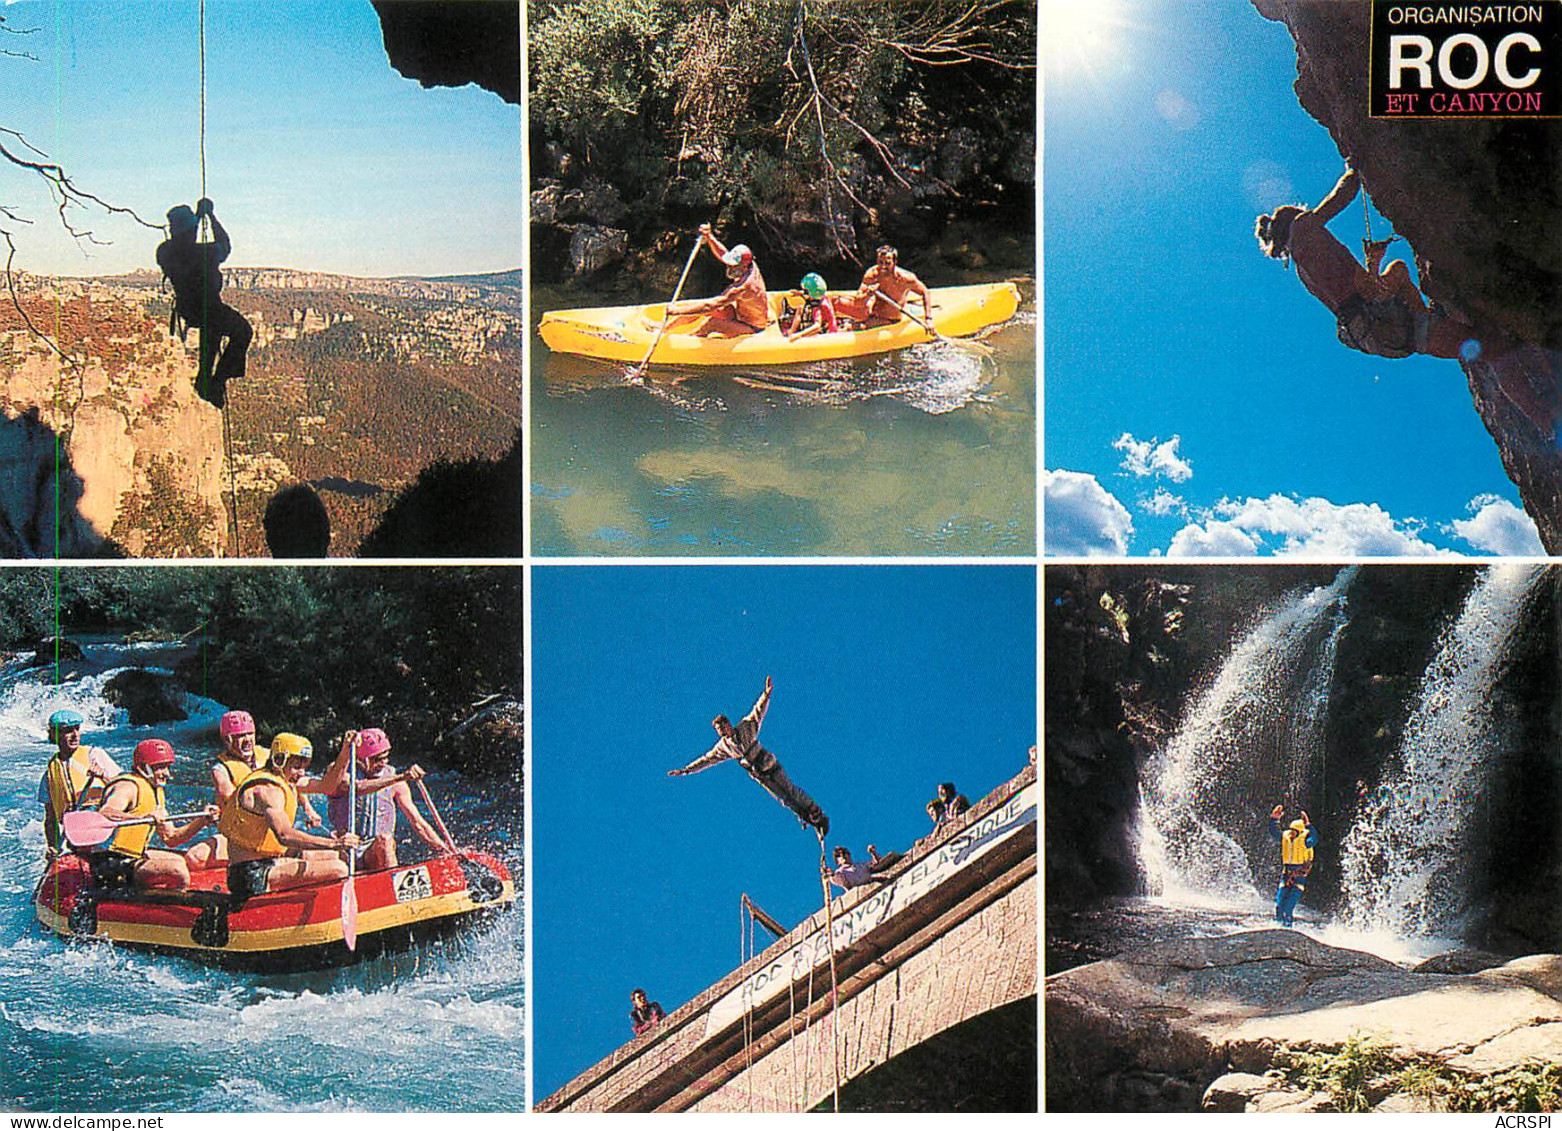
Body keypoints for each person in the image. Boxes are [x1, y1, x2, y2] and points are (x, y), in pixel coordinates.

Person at [1255, 165, 1483, 362]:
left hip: (1379, 336)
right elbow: (1342, 196)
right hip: (1382, 318)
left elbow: (1359, 291)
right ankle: (1427, 318)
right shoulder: (1301, 227)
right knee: (1493, 349)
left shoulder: (1303, 270)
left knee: (1398, 270)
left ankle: (1427, 319)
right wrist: (1353, 169)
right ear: (1293, 217)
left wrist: (1373, 262)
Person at [668, 676, 829, 836]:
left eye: (722, 727)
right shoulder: (723, 747)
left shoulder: (745, 727)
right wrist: (686, 770)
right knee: (784, 799)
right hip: (758, 773)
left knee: (790, 790)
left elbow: (757, 712)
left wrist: (766, 694)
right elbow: (706, 760)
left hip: (768, 764)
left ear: (728, 724)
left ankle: (815, 812)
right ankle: (805, 816)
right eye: (719, 730)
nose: (722, 732)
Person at [224, 733, 359, 899]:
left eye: (305, 766)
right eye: (296, 766)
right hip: (250, 874)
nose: (302, 773)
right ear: (279, 760)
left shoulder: (286, 779)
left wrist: (345, 751)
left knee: (340, 856)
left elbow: (328, 785)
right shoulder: (267, 790)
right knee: (339, 869)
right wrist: (334, 843)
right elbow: (284, 835)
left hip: (268, 862)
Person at [156, 197, 253, 409]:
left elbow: (184, 241)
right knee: (243, 331)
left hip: (189, 309)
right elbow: (225, 246)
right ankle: (217, 380)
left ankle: (206, 380)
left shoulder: (165, 251)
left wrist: (198, 218)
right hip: (210, 307)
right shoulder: (203, 253)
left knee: (212, 334)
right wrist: (210, 215)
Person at [89, 739, 222, 891]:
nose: (167, 773)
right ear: (142, 768)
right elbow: (106, 812)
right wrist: (141, 819)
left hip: (133, 857)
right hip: (109, 861)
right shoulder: (128, 787)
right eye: (159, 768)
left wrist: (202, 820)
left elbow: (172, 838)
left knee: (180, 860)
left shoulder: (157, 792)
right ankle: (170, 909)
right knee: (178, 870)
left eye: (167, 767)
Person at [324, 727, 446, 870]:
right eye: (377, 759)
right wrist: (399, 778)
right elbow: (358, 788)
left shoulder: (395, 782)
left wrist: (444, 850)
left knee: (386, 840)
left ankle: (392, 881)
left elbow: (418, 823)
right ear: (360, 759)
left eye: (385, 757)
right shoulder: (339, 774)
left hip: (373, 851)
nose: (383, 763)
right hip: (344, 849)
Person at [38, 708, 120, 854]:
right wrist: (52, 846)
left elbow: (124, 788)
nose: (75, 735)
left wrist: (103, 776)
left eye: (77, 729)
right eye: (68, 731)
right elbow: (50, 820)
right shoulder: (49, 775)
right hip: (76, 833)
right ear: (54, 735)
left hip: (101, 825)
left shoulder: (95, 755)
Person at [667, 224, 770, 337]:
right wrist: (709, 237)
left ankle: (687, 340)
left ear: (744, 266)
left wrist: (677, 311)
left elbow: (711, 305)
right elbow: (724, 255)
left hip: (752, 327)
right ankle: (663, 329)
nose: (730, 267)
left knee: (711, 323)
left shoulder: (744, 286)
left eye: (734, 266)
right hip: (739, 315)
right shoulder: (749, 265)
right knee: (699, 305)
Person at [833, 245, 933, 330]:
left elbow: (925, 292)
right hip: (870, 311)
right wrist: (868, 294)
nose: (883, 267)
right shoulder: (872, 275)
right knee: (835, 302)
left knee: (851, 328)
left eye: (887, 263)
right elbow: (858, 303)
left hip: (888, 319)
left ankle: (846, 327)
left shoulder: (906, 279)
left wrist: (928, 319)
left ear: (895, 262)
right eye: (880, 262)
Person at [1268, 804, 1318, 927]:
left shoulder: (1305, 842)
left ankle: (1288, 927)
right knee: (1279, 906)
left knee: (1288, 907)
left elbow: (1315, 838)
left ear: (1300, 832)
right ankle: (1278, 927)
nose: (1291, 833)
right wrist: (1274, 819)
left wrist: (1308, 825)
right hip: (1286, 874)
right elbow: (1274, 832)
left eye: (1294, 831)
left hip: (1299, 876)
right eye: (1291, 830)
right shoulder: (1286, 837)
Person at [783, 273, 838, 339]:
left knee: (801, 309)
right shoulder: (820, 297)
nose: (804, 293)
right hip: (824, 329)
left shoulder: (818, 307)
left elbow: (817, 326)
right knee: (801, 308)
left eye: (806, 291)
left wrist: (799, 335)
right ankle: (792, 331)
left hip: (825, 335)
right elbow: (811, 295)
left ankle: (792, 332)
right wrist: (800, 293)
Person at [826, 844, 890, 891]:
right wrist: (832, 874)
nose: (843, 856)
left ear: (849, 855)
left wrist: (873, 853)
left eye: (844, 853)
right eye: (839, 855)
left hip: (871, 886)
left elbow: (876, 864)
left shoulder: (861, 865)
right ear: (837, 862)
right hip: (858, 892)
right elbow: (837, 879)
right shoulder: (841, 872)